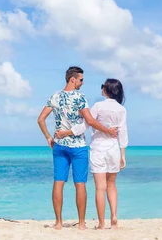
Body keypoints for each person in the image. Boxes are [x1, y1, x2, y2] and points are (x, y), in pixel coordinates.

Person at [37, 66, 117, 230]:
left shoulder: (55, 96)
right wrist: (108, 131)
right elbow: (90, 121)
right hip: (78, 146)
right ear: (72, 79)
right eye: (81, 79)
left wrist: (48, 138)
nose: (82, 82)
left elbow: (40, 119)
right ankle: (81, 224)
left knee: (59, 182)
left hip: (59, 146)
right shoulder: (80, 98)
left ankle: (58, 223)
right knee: (80, 184)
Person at [55, 78, 128, 230]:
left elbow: (85, 125)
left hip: (99, 149)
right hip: (114, 149)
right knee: (112, 186)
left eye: (103, 86)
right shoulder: (122, 110)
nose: (101, 88)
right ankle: (114, 216)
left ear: (107, 90)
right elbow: (123, 133)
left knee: (100, 188)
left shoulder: (98, 106)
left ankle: (101, 224)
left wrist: (66, 132)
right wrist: (123, 154)